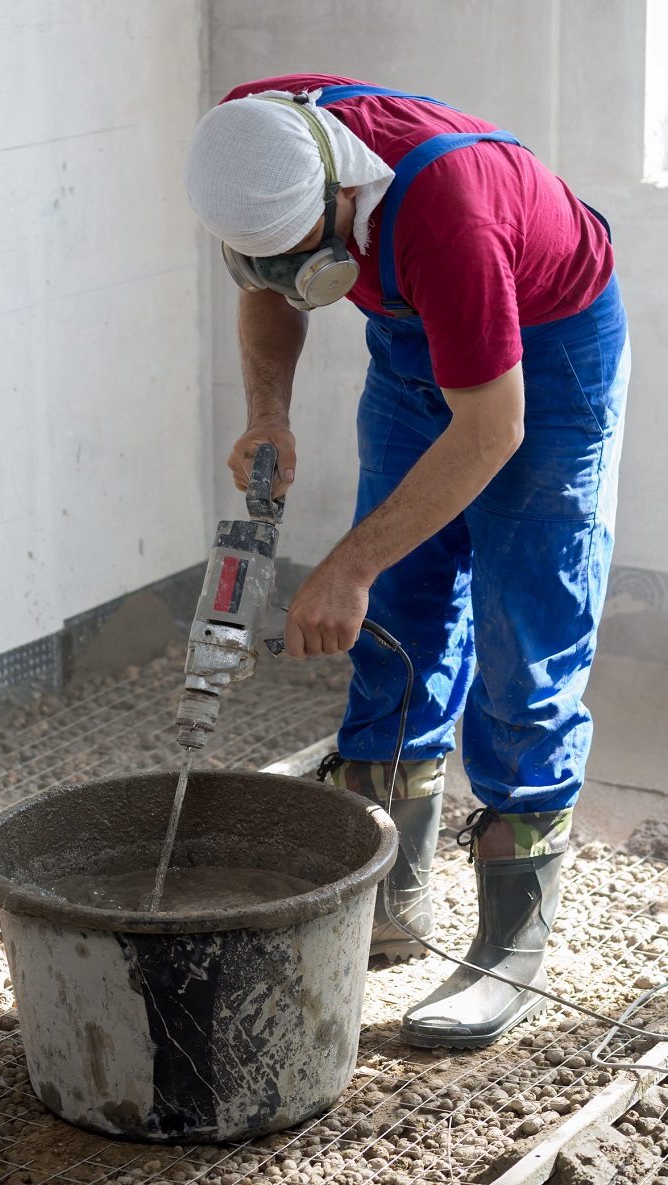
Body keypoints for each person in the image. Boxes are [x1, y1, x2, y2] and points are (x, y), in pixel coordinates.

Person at [184, 74, 629, 1049]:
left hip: (544, 356)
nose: (294, 275)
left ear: (343, 195)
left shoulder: (450, 212)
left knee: (524, 631)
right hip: (413, 336)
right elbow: (268, 283)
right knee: (401, 619)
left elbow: (490, 429)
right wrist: (267, 414)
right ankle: (390, 893)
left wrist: (343, 564)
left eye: (310, 255)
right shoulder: (256, 134)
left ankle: (509, 937)